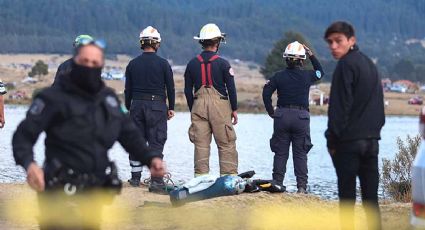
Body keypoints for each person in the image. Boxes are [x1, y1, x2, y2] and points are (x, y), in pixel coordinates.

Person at [12, 40, 165, 229]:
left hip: (94, 191)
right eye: (85, 62)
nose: (89, 67)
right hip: (58, 189)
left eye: (94, 63)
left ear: (101, 66)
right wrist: (29, 164)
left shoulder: (108, 100)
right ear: (75, 61)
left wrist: (151, 160)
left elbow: (130, 136)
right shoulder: (52, 98)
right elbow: (22, 136)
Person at [324, 21, 385, 230]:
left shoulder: (345, 65)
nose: (333, 46)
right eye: (329, 42)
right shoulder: (369, 64)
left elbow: (339, 108)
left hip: (348, 142)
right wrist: (374, 133)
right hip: (371, 142)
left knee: (347, 199)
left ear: (351, 40)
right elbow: (379, 106)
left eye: (338, 41)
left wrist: (332, 140)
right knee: (371, 199)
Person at [262, 41, 324, 193]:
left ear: (286, 59)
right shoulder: (308, 76)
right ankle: (301, 188)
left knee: (280, 152)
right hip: (301, 118)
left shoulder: (278, 76)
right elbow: (320, 72)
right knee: (300, 153)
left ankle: (277, 183)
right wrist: (312, 55)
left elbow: (266, 93)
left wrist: (271, 111)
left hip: (282, 116)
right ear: (302, 61)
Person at [124, 26, 175, 191]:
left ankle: (135, 178)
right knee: (156, 142)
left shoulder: (132, 64)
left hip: (136, 105)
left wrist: (127, 107)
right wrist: (171, 107)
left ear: (141, 43)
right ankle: (156, 181)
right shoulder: (164, 64)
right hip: (157, 106)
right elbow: (170, 88)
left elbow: (128, 90)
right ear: (157, 44)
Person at [184, 23, 238, 177]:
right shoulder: (223, 64)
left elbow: (188, 90)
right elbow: (231, 89)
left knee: (201, 144)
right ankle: (228, 178)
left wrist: (193, 108)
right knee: (226, 143)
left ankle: (200, 178)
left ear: (202, 42)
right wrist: (234, 109)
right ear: (217, 42)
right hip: (220, 106)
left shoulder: (191, 64)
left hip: (198, 105)